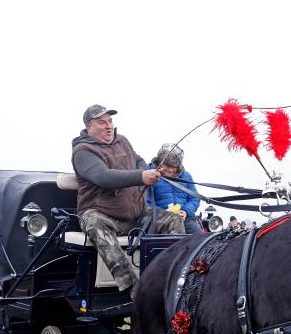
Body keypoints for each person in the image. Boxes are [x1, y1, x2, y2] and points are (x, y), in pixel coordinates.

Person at [71, 105, 160, 292]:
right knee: (94, 223)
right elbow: (103, 176)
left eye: (110, 121)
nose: (108, 126)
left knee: (172, 219)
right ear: (89, 127)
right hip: (105, 215)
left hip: (135, 215)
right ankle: (132, 289)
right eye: (101, 122)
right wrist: (141, 177)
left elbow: (138, 160)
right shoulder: (82, 151)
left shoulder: (123, 141)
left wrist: (143, 173)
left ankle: (171, 278)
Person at [147, 143, 200, 235]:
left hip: (185, 219)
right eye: (167, 165)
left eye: (174, 167)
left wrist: (186, 211)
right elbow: (145, 202)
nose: (170, 170)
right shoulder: (148, 174)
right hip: (159, 220)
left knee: (201, 239)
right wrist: (164, 213)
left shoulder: (186, 176)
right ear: (160, 162)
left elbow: (195, 199)